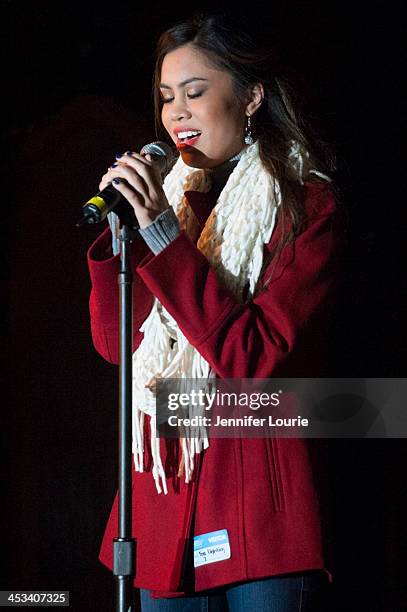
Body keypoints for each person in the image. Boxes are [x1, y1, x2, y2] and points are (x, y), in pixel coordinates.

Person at [86, 12, 346, 611]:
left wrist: (163, 243)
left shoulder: (306, 208)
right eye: (167, 98)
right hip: (164, 500)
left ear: (251, 96)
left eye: (196, 93)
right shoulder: (171, 209)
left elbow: (251, 357)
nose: (177, 113)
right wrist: (125, 238)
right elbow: (115, 344)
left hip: (258, 512)